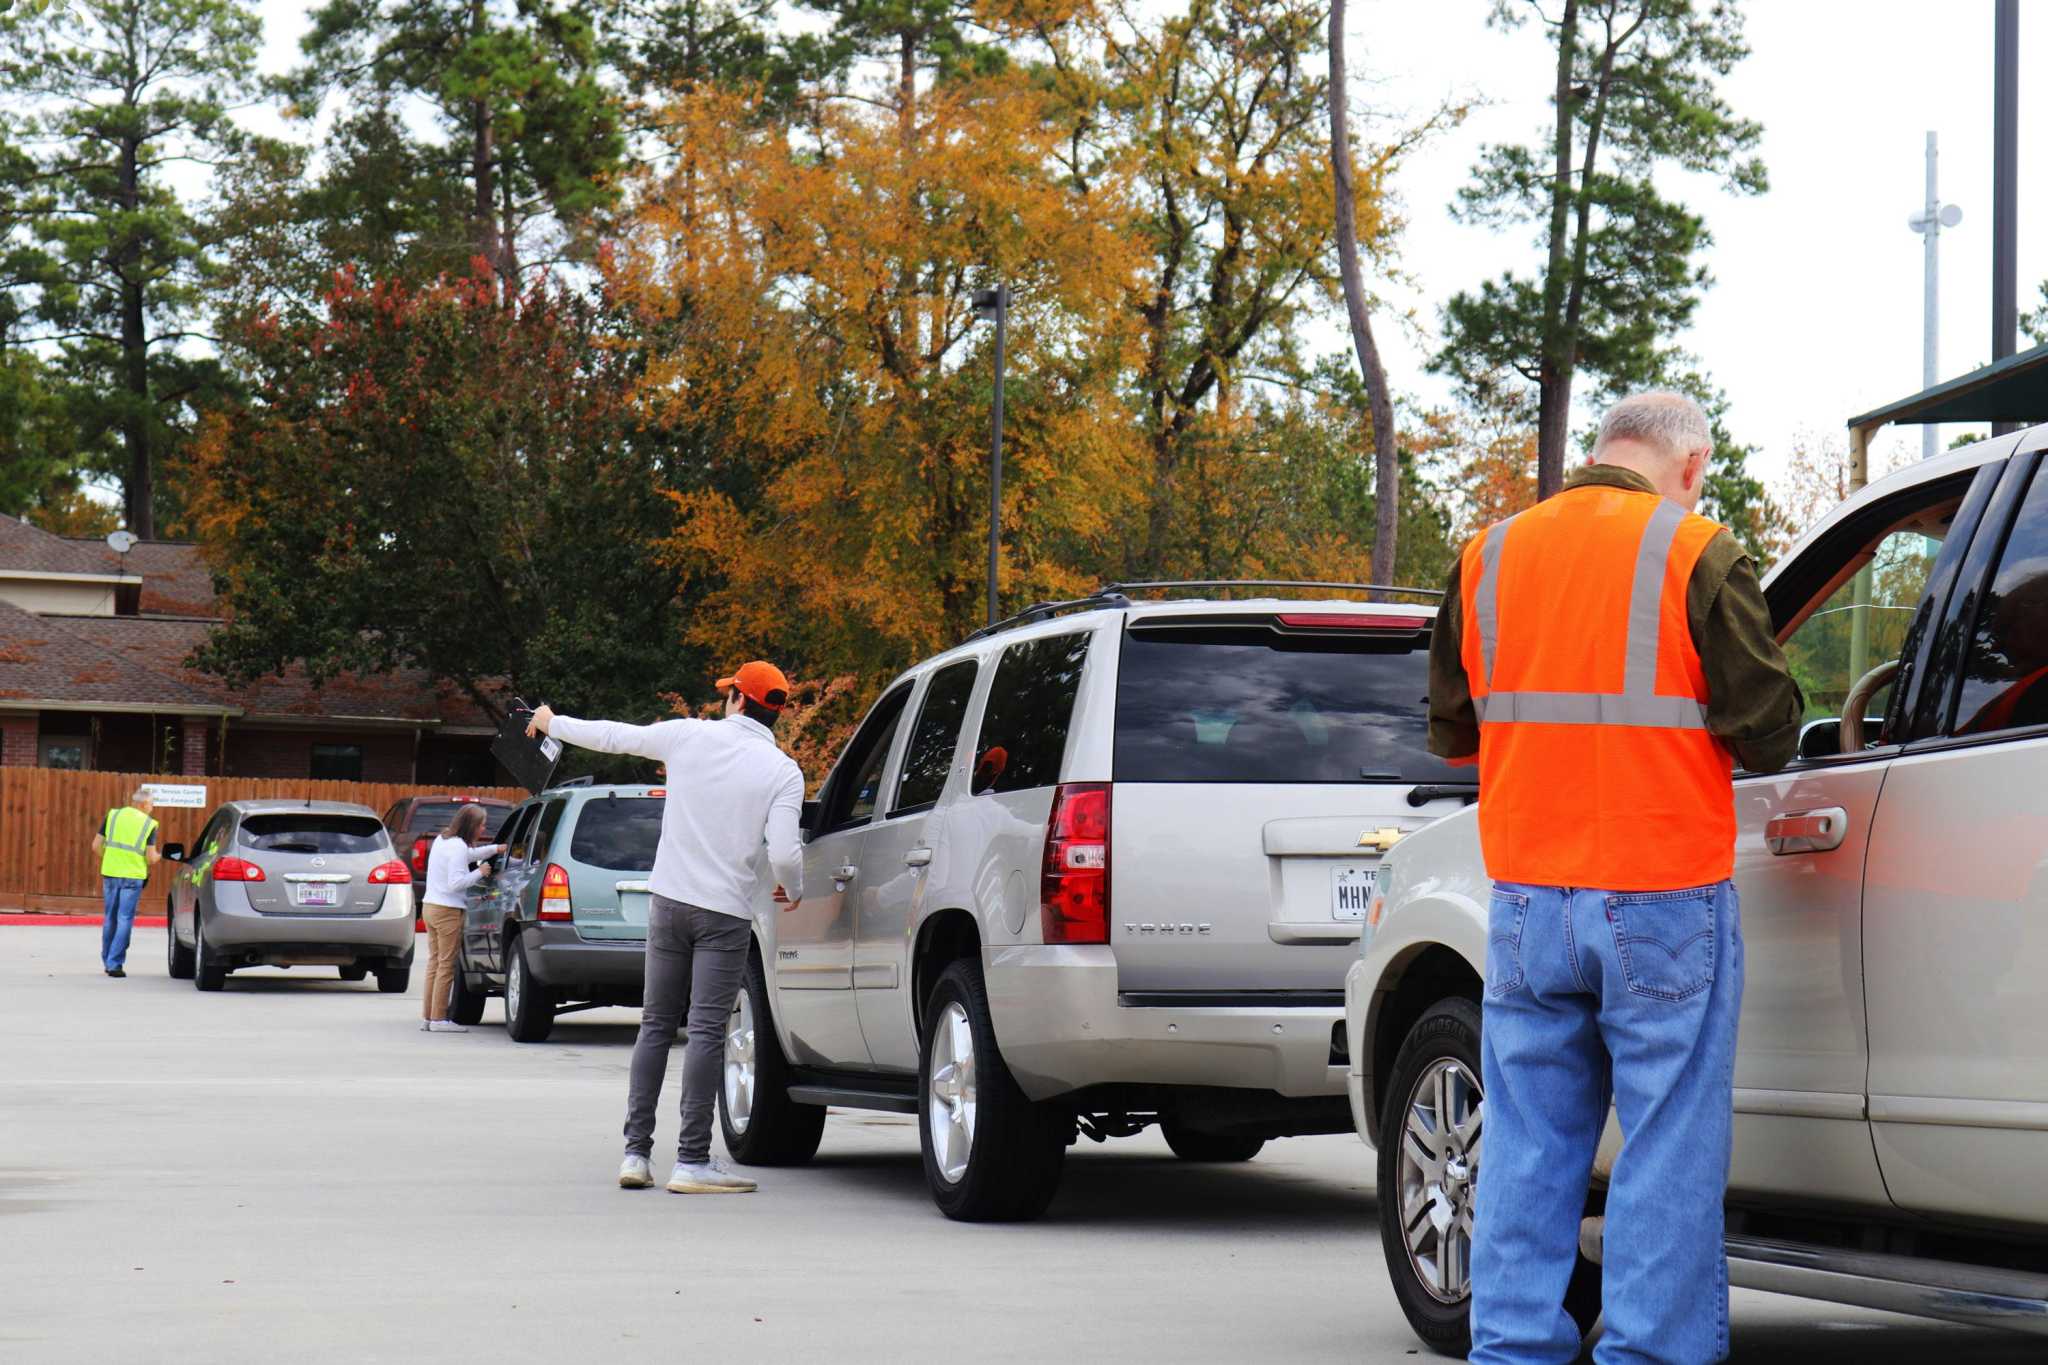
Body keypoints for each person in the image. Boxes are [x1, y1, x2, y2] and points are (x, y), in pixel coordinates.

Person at [1427, 391, 1803, 1364]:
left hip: (1523, 902)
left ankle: (1509, 1350)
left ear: (1601, 450)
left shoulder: (1488, 557)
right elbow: (1765, 728)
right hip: (1660, 894)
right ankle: (1649, 1353)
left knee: (1526, 1148)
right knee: (1666, 1147)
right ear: (1687, 463)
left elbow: (1452, 728)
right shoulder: (1694, 552)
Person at [526, 660, 804, 1196]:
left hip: (669, 904)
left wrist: (553, 721)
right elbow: (787, 853)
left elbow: (615, 736)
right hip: (724, 914)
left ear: (738, 700)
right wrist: (789, 889)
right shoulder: (782, 771)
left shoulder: (688, 737)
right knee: (704, 1032)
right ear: (775, 713)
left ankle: (635, 1155)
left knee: (654, 1026)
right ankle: (693, 1161)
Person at [419, 805, 506, 1034]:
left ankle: (428, 1018)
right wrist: (481, 872)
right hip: (448, 911)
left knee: (434, 963)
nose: (483, 828)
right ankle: (439, 1019)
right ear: (471, 826)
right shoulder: (458, 847)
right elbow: (456, 883)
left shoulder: (443, 840)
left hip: (430, 907)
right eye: (481, 824)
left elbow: (470, 855)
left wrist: (496, 848)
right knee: (447, 966)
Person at [91, 788, 160, 978]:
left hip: (110, 873)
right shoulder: (149, 824)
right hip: (133, 877)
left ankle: (107, 961)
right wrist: (160, 857)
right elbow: (151, 857)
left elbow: (96, 846)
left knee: (110, 918)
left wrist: (111, 859)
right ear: (144, 804)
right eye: (152, 804)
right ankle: (115, 964)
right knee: (124, 919)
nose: (152, 809)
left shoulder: (113, 815)